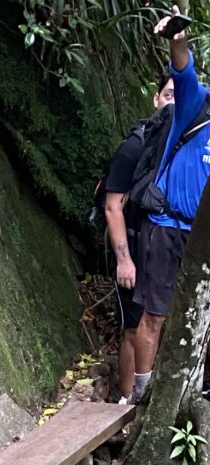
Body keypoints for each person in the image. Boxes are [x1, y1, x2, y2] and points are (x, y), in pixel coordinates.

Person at [130, 8, 210, 402]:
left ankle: (191, 392)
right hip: (167, 226)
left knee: (200, 317)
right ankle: (143, 393)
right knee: (156, 313)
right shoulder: (197, 105)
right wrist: (178, 38)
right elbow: (184, 70)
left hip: (203, 238)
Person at [103, 72, 174, 403]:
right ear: (155, 98)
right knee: (133, 326)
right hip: (131, 244)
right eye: (168, 95)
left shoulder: (180, 146)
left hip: (159, 247)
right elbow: (112, 207)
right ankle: (126, 400)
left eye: (179, 97)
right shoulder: (135, 146)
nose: (172, 103)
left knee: (155, 320)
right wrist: (124, 259)